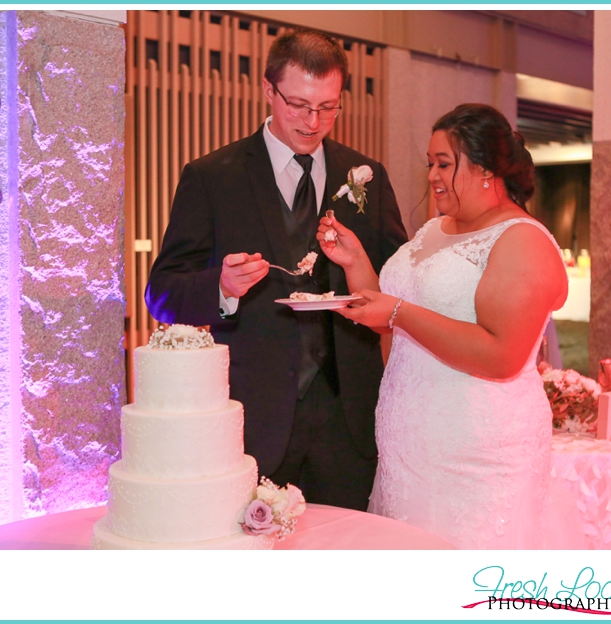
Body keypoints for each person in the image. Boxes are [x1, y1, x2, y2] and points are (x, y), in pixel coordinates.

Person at [146, 31, 407, 510]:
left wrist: (359, 266)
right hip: (253, 418)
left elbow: (399, 283)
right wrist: (221, 287)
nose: (314, 122)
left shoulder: (365, 174)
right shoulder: (213, 177)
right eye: (299, 105)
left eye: (329, 107)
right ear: (269, 91)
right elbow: (161, 292)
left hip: (347, 417)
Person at [318, 103, 567, 549]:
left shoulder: (522, 241)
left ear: (487, 168)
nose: (432, 175)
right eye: (430, 164)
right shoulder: (435, 230)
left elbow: (501, 355)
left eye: (444, 164)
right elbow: (401, 318)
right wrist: (356, 265)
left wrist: (398, 313)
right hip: (409, 443)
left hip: (475, 452)